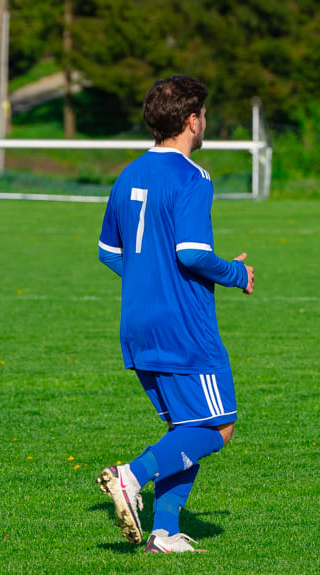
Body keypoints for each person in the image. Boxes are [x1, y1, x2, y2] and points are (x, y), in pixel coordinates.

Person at [96, 75, 255, 553]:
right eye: (203, 114)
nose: (204, 122)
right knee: (218, 427)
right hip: (184, 325)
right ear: (192, 120)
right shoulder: (192, 176)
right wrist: (235, 273)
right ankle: (131, 476)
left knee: (184, 427)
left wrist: (148, 278)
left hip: (137, 324)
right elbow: (191, 252)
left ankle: (163, 533)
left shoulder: (128, 174)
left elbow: (108, 252)